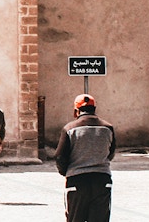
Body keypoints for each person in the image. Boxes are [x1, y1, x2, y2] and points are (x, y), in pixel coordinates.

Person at [55, 94, 115, 222]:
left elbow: (59, 156)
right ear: (94, 108)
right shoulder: (108, 128)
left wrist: (66, 171)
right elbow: (111, 153)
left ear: (76, 111)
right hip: (102, 180)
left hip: (77, 181)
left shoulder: (69, 129)